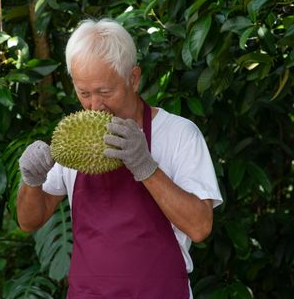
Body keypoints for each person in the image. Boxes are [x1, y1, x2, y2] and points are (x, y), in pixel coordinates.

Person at [16, 18, 223, 299]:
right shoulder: (76, 138)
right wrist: (31, 180)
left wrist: (146, 166)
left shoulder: (178, 134)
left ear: (133, 79)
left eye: (105, 92)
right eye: (84, 93)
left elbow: (200, 227)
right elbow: (30, 221)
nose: (94, 105)